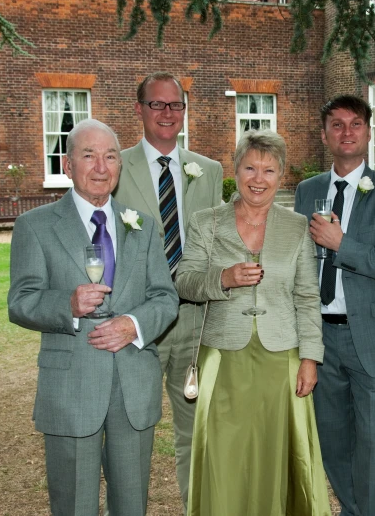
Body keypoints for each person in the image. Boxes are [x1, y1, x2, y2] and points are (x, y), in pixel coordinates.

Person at [8, 119, 179, 515]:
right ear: (68, 165)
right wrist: (65, 304)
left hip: (133, 386)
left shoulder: (143, 226)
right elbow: (20, 301)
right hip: (71, 387)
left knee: (131, 503)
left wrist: (132, 325)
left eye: (110, 156)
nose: (101, 167)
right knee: (73, 504)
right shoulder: (35, 226)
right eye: (89, 156)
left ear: (120, 165)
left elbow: (164, 298)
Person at [176, 130, 331, 516]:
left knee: (277, 455)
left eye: (269, 170)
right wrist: (223, 278)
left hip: (282, 361)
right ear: (235, 169)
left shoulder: (296, 227)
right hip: (224, 359)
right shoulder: (206, 223)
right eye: (250, 167)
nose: (258, 178)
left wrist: (310, 357)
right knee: (226, 458)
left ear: (281, 177)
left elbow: (308, 296)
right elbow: (184, 281)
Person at [294, 95, 375, 516]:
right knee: (332, 441)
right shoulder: (307, 191)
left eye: (356, 124)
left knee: (373, 444)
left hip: (373, 338)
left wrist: (342, 244)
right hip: (320, 338)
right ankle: (352, 509)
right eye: (337, 124)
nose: (347, 132)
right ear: (324, 133)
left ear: (368, 131)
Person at [113, 72, 223, 508]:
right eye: (156, 104)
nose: (167, 113)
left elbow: (216, 245)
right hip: (139, 323)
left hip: (195, 322)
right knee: (131, 430)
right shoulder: (116, 166)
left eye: (175, 105)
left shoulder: (209, 171)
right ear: (138, 109)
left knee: (195, 433)